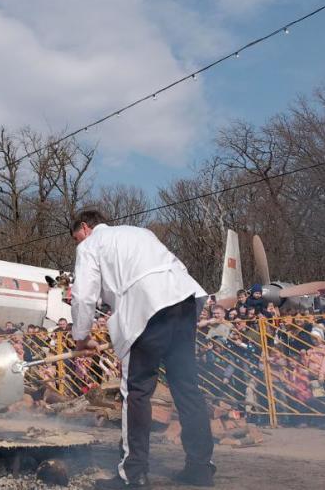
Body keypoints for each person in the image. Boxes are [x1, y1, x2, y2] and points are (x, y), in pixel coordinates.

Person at [69, 208, 214, 488]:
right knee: (186, 388)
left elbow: (83, 296)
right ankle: (200, 468)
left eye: (76, 238)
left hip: (146, 309)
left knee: (136, 391)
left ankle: (133, 475)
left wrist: (81, 338)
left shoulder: (90, 245)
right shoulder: (140, 232)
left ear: (85, 228)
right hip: (183, 302)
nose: (78, 243)